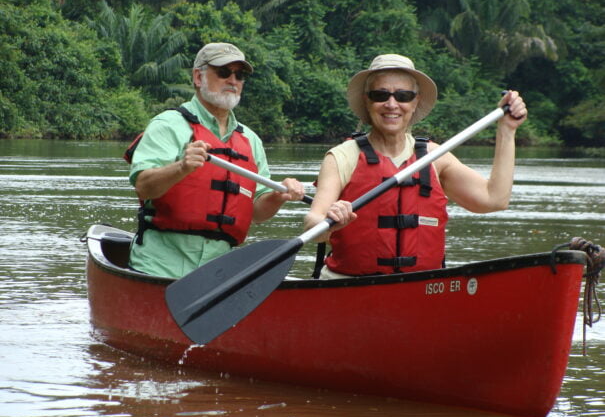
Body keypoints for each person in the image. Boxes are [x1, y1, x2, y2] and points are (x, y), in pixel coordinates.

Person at [304, 54, 527, 279]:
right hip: (348, 286)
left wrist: (507, 131)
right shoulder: (342, 157)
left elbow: (494, 199)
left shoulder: (435, 156)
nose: (392, 104)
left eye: (403, 96)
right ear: (367, 100)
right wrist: (329, 223)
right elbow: (312, 224)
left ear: (416, 101)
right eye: (380, 95)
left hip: (422, 289)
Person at [128, 42, 305, 278]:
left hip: (219, 273)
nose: (233, 81)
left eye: (239, 75)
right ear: (198, 77)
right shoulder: (168, 124)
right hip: (160, 266)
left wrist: (277, 196)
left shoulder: (250, 140)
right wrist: (181, 167)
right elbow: (144, 185)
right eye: (223, 72)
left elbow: (257, 213)